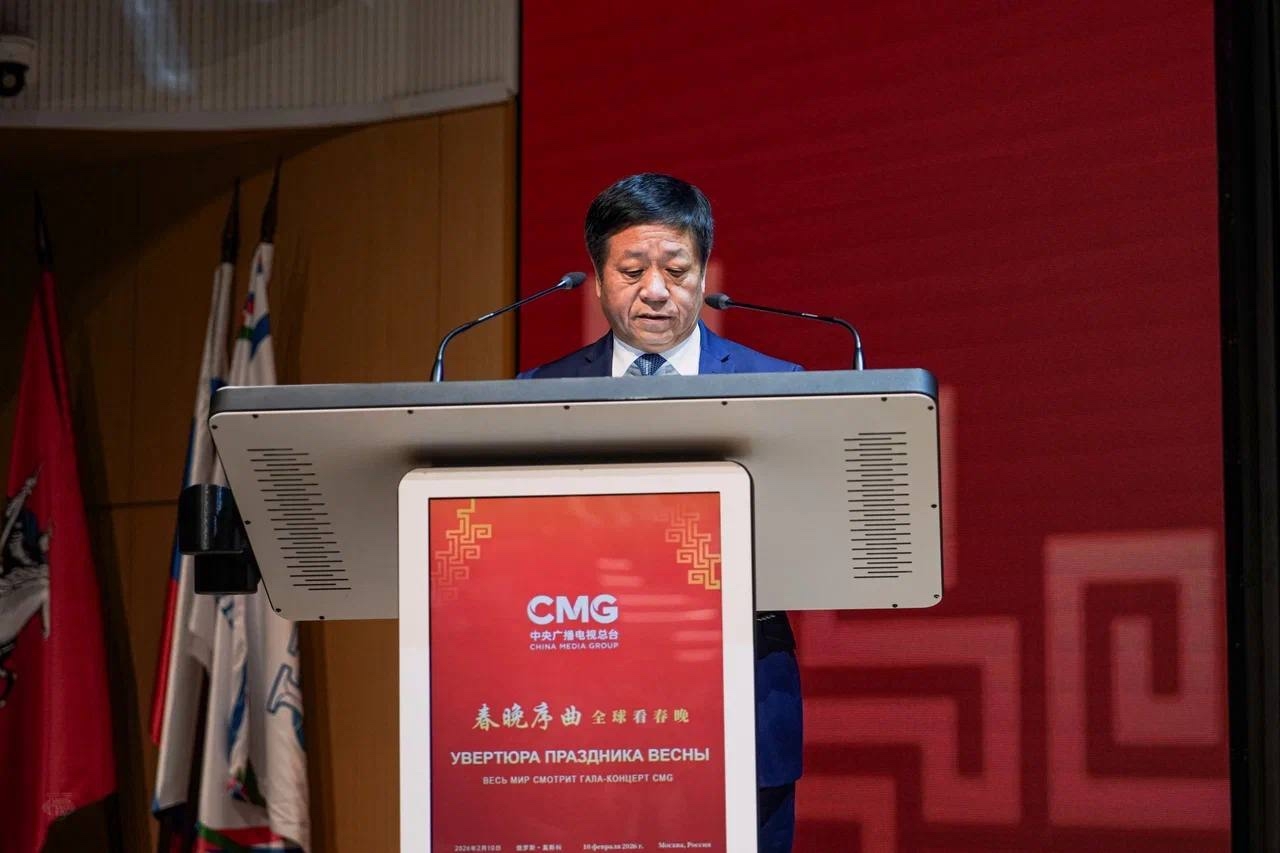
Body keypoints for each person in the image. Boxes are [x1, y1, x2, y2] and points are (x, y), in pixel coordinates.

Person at [519, 173, 803, 852]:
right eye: (632, 270)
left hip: (736, 693)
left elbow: (802, 545)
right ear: (597, 278)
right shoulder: (538, 392)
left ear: (703, 273)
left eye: (676, 270)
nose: (655, 290)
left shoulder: (777, 386)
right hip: (586, 701)